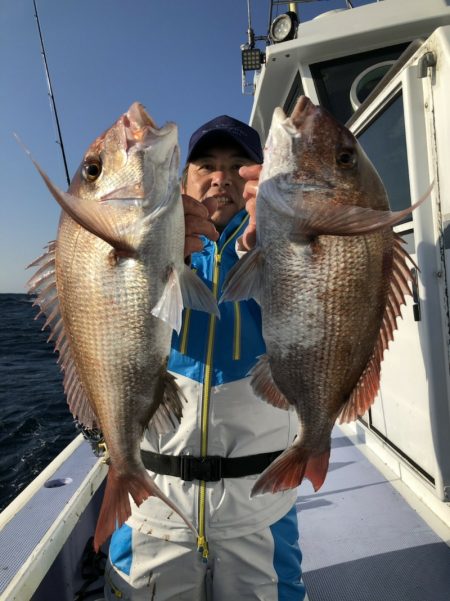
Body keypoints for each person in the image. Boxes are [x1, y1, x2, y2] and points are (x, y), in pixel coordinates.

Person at [103, 115, 307, 601]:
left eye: (240, 166)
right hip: (153, 507)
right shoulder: (150, 251)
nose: (223, 177)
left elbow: (318, 316)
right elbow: (101, 320)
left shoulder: (288, 248)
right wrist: (152, 240)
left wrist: (276, 241)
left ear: (262, 177)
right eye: (207, 166)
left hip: (258, 512)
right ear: (182, 180)